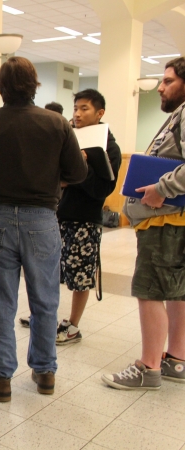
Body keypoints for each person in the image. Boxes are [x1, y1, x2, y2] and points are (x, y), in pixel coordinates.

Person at [0, 57, 87, 402]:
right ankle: (45, 372)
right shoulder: (57, 123)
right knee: (45, 299)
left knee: (3, 301)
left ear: (0, 88)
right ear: (35, 87)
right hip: (42, 219)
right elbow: (78, 173)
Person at [103, 57, 185, 389]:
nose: (161, 88)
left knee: (150, 291)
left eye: (168, 81)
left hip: (165, 220)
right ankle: (176, 359)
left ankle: (148, 366)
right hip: (172, 220)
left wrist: (161, 188)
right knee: (177, 291)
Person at [19, 89, 122, 345]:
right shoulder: (68, 137)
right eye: (75, 107)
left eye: (84, 108)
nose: (77, 113)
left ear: (100, 113)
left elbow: (102, 189)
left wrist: (82, 166)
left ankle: (73, 326)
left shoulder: (109, 146)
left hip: (85, 220)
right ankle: (45, 316)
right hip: (56, 215)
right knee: (48, 270)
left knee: (80, 275)